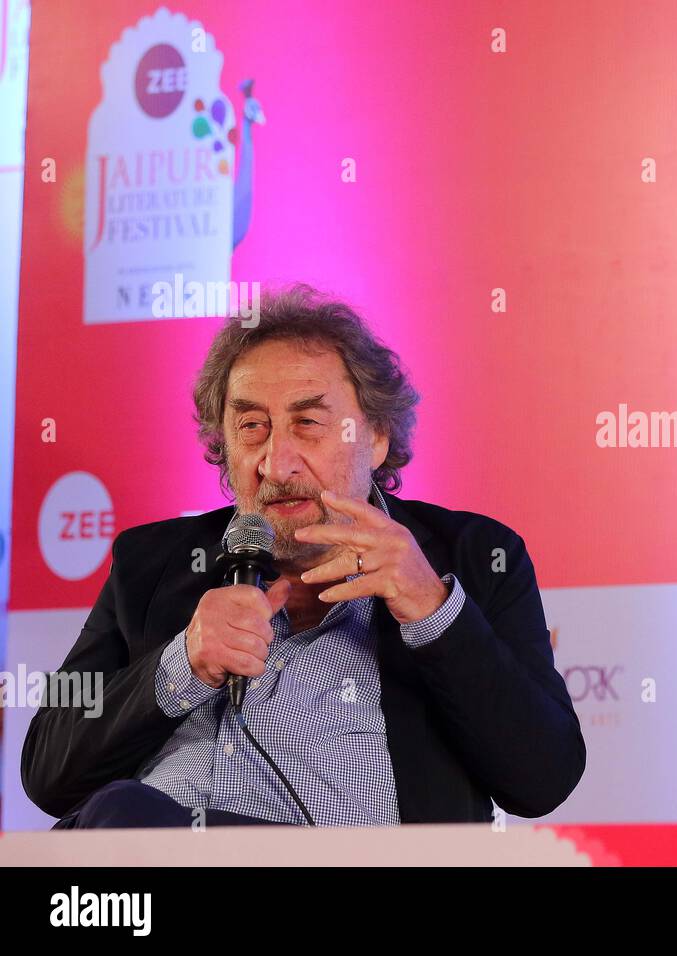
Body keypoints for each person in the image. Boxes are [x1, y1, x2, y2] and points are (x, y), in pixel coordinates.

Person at [23, 284, 585, 828]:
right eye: (251, 428)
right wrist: (182, 664)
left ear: (379, 436)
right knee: (117, 823)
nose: (276, 463)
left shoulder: (476, 557)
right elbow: (48, 775)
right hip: (145, 864)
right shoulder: (151, 564)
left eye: (308, 424)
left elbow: (542, 779)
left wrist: (432, 611)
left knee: (122, 820)